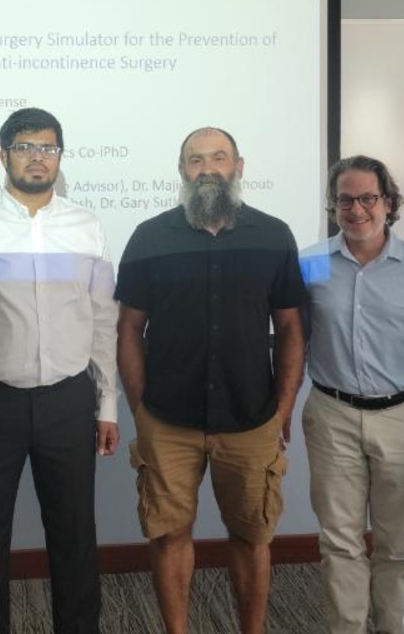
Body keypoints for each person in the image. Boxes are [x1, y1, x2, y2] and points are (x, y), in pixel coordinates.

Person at [0, 107, 119, 634]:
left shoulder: (86, 227)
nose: (38, 157)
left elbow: (103, 321)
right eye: (25, 147)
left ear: (60, 156)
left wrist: (107, 403)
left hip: (69, 401)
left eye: (48, 148)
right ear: (3, 155)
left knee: (75, 534)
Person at [116, 127, 306, 634]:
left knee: (251, 537)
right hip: (167, 419)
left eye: (218, 158)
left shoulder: (274, 235)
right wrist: (140, 410)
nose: (207, 169)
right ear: (182, 170)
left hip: (251, 418)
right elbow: (129, 329)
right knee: (168, 535)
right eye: (195, 160)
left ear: (238, 167)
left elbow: (291, 328)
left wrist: (284, 408)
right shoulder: (149, 236)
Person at [299, 155, 404, 634]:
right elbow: (293, 338)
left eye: (368, 198)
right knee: (339, 541)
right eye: (345, 200)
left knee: (396, 543)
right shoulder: (311, 263)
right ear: (333, 206)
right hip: (331, 413)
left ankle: (393, 626)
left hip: (402, 418)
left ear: (389, 203)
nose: (356, 210)